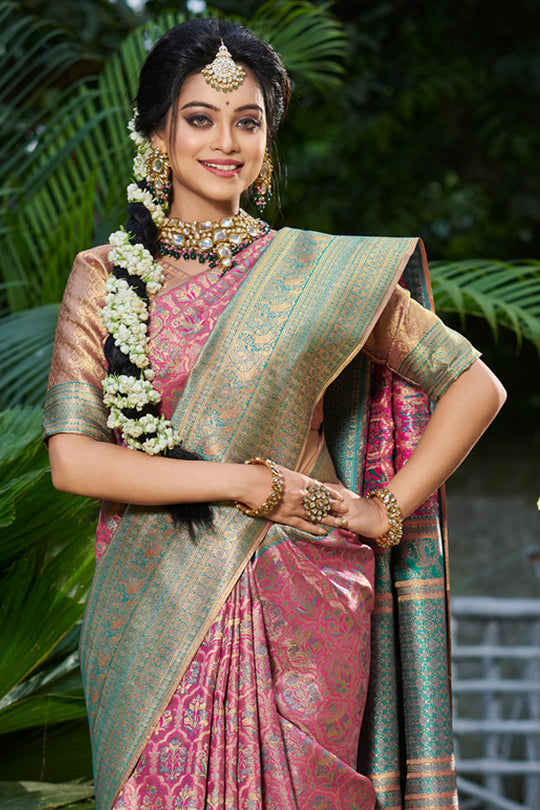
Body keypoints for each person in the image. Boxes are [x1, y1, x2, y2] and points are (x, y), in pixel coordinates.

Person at [43, 17, 506, 810]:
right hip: (152, 612)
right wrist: (244, 485)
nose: (226, 141)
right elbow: (73, 461)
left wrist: (383, 509)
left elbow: (475, 384)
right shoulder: (105, 276)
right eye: (200, 118)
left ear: (267, 141)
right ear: (156, 136)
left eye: (248, 121)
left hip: (302, 600)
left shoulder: (317, 272)